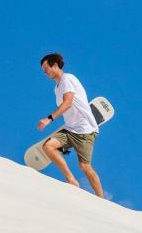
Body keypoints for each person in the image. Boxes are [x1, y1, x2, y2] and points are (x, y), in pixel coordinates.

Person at [37, 53, 104, 197]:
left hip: (85, 130)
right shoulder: (57, 88)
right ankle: (71, 179)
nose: (45, 72)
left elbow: (68, 103)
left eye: (46, 68)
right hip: (70, 129)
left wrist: (49, 119)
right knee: (48, 146)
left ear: (55, 65)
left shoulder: (67, 79)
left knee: (84, 166)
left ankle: (102, 199)